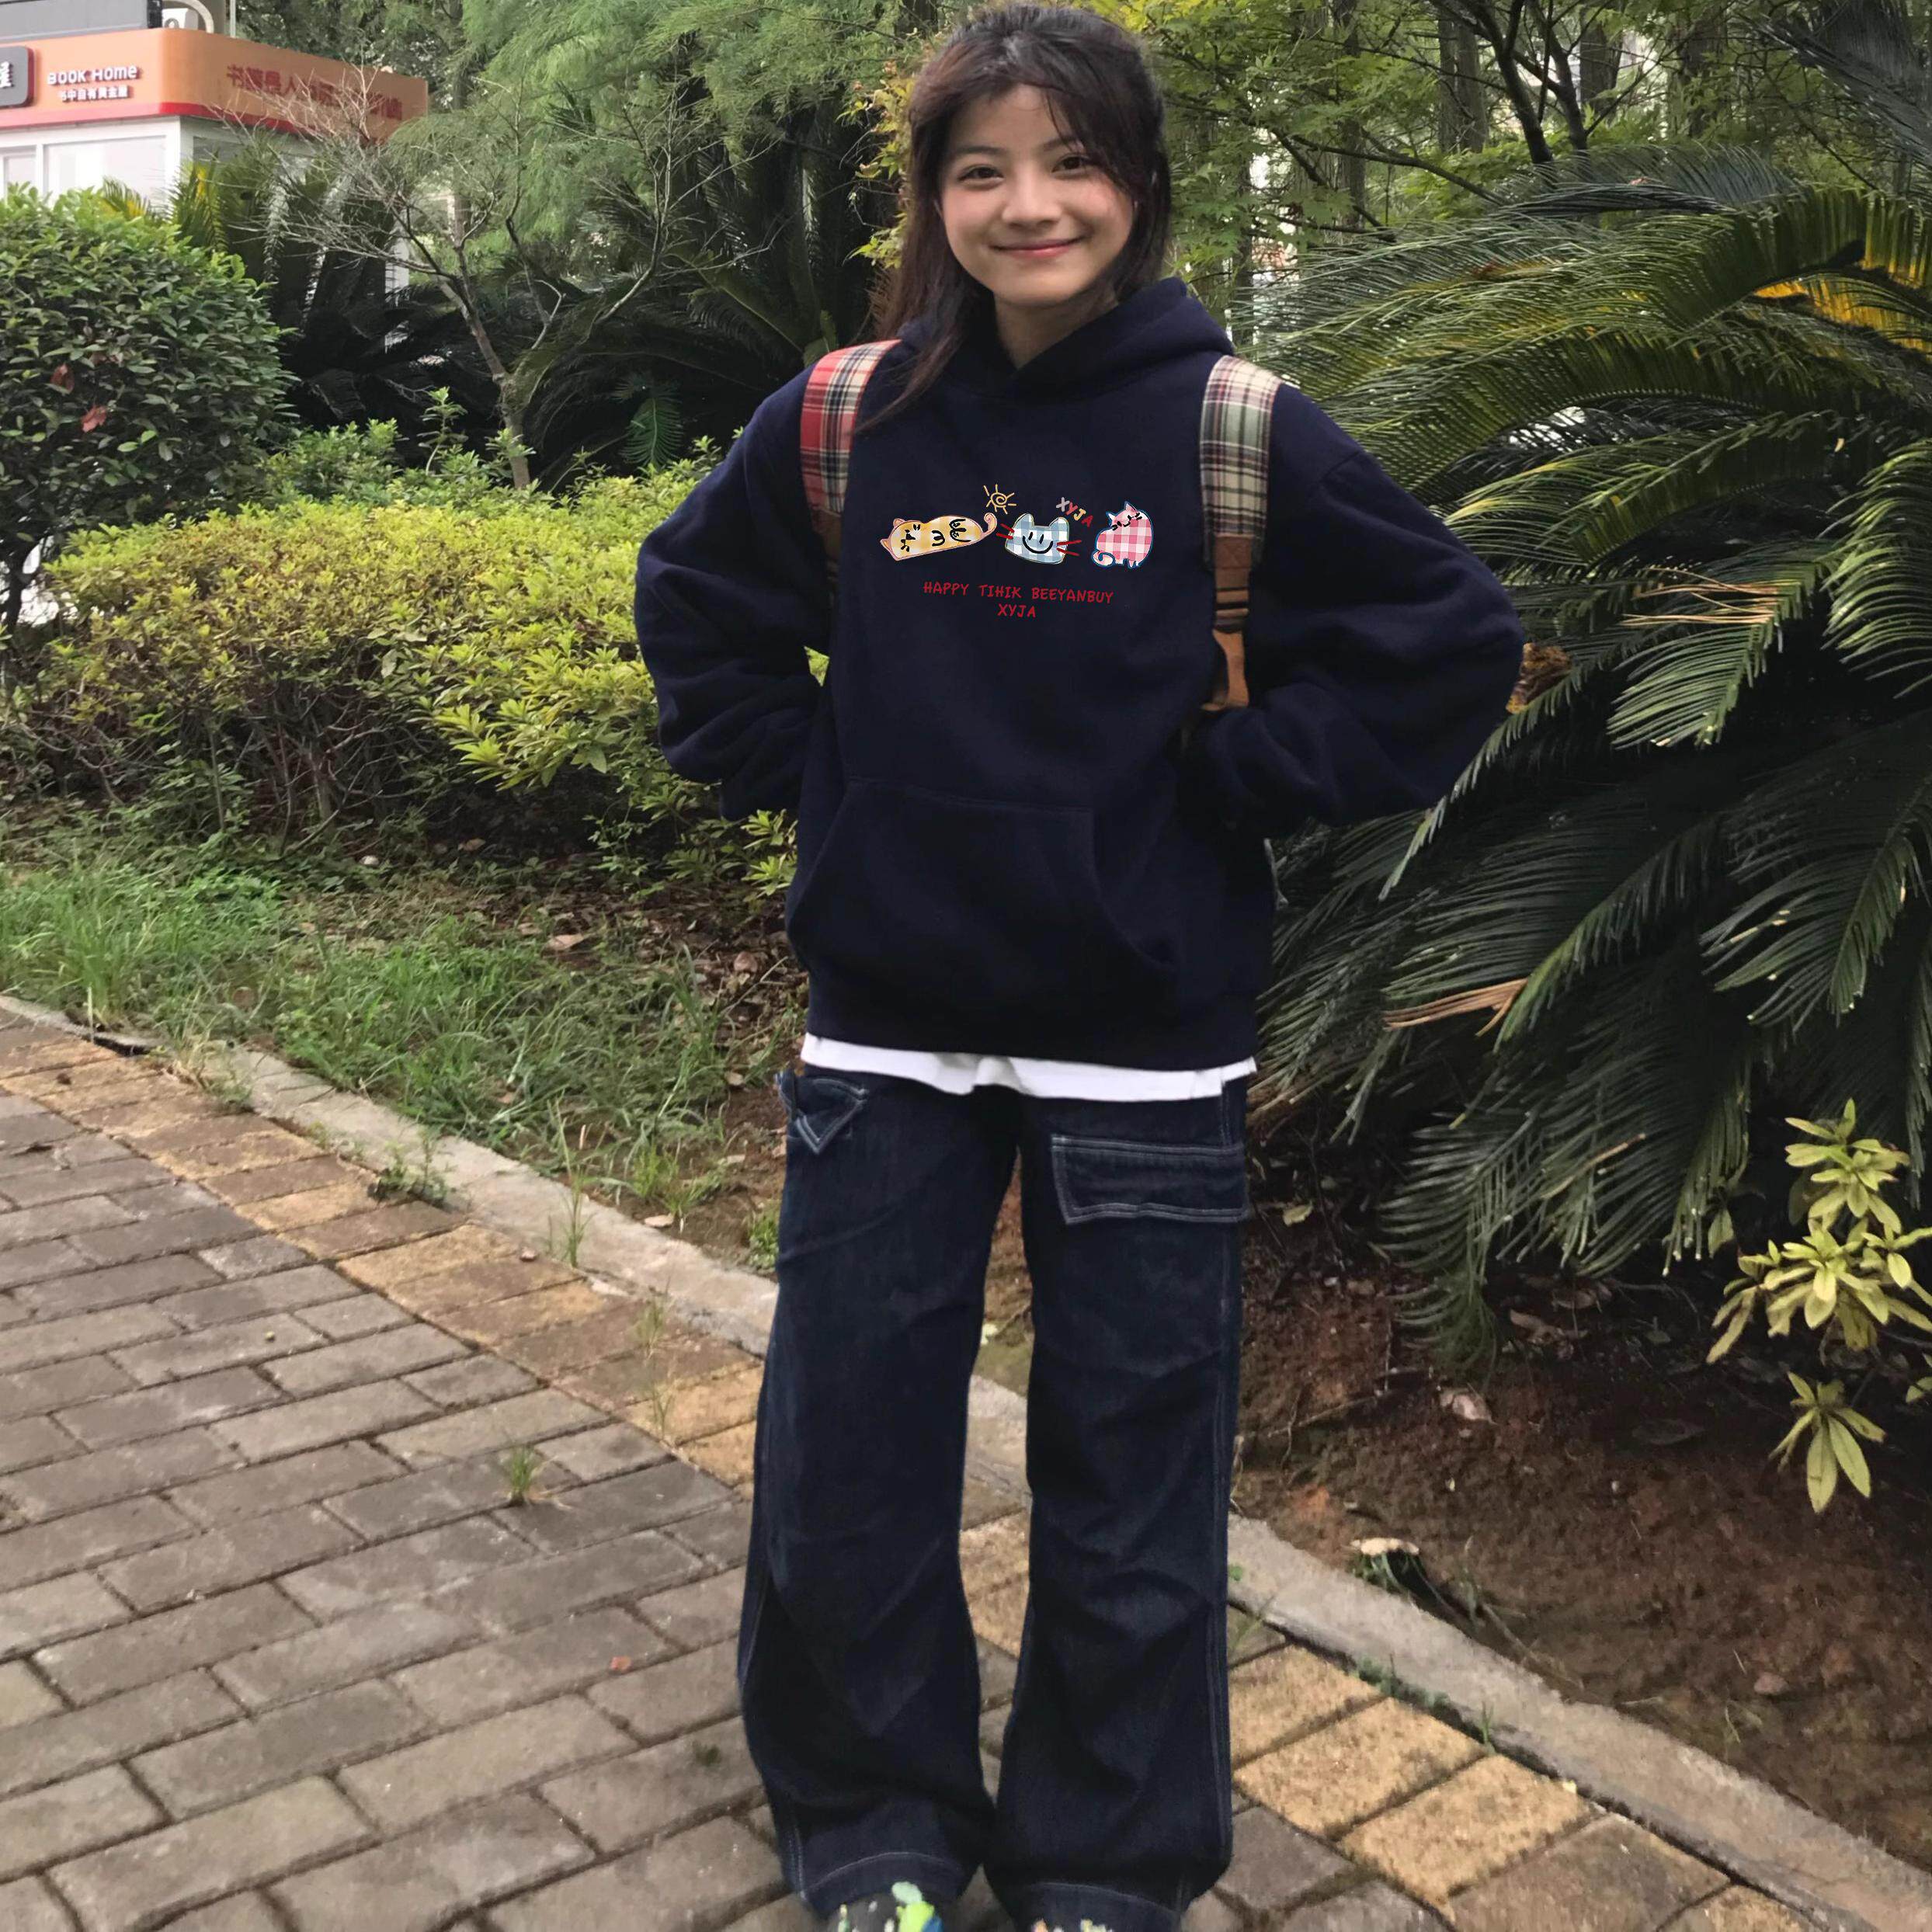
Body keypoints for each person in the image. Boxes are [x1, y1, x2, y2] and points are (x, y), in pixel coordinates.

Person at [634, 9, 1524, 1931]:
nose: (1026, 204)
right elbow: (694, 602)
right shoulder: (850, 418)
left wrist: (1236, 781)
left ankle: (1103, 1856)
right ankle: (870, 1824)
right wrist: (826, 781)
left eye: (1069, 163)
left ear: (1135, 187)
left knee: (1129, 1475)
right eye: (981, 169)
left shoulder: (1229, 428)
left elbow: (1449, 636)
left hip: (1141, 1041)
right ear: (932, 198)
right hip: (889, 1035)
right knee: (847, 1454)